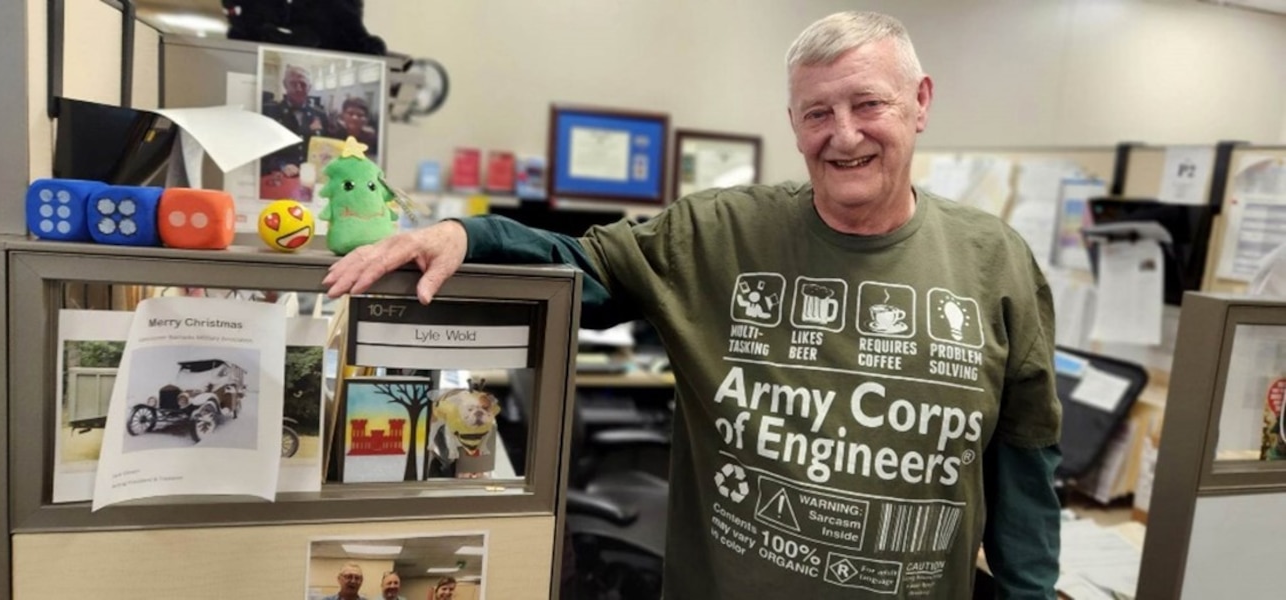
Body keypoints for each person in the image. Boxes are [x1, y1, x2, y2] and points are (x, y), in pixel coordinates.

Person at [323, 11, 1060, 599]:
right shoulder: (719, 234)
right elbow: (585, 266)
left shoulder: (996, 263)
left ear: (921, 102)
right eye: (816, 113)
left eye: (869, 104)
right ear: (794, 122)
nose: (843, 135)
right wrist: (465, 233)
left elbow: (1027, 459)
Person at [262, 64, 332, 180]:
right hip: (280, 177)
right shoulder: (269, 111)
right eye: (293, 84)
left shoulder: (320, 114)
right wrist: (281, 165)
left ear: (309, 87)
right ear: (285, 85)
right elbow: (262, 150)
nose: (298, 88)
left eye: (303, 84)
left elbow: (326, 147)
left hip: (312, 176)